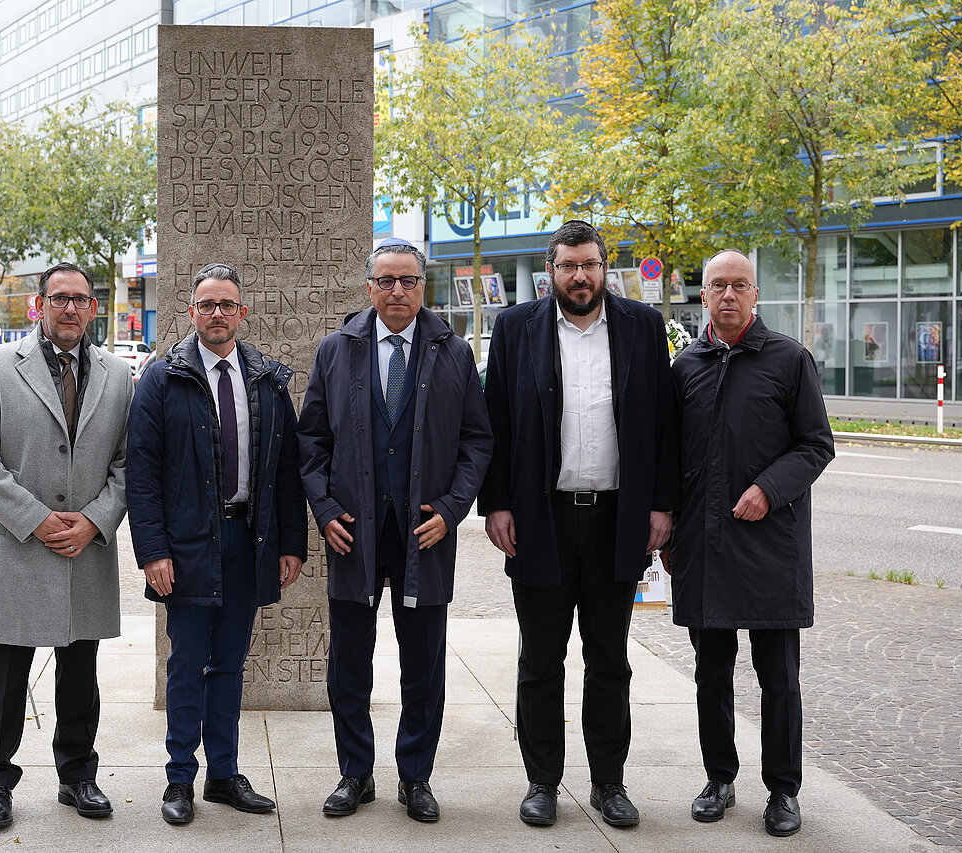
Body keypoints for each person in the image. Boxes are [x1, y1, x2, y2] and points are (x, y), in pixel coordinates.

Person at [478, 220, 677, 829]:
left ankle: (609, 782)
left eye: (590, 265)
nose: (580, 276)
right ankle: (542, 781)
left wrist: (661, 505)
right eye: (568, 266)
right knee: (540, 658)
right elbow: (497, 423)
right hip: (541, 520)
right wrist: (498, 504)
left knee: (609, 658)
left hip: (617, 518)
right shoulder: (515, 329)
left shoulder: (643, 328)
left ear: (605, 269)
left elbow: (663, 423)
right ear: (551, 272)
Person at [298, 237, 492, 823]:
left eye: (407, 281)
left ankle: (416, 776)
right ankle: (355, 773)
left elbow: (476, 440)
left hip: (424, 534)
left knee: (423, 664)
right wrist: (325, 510)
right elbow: (311, 442)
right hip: (354, 534)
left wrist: (453, 508)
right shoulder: (338, 350)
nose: (396, 291)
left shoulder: (452, 352)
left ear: (422, 287)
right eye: (385, 280)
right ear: (369, 288)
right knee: (350, 664)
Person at [126, 262, 308, 826]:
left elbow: (287, 472)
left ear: (242, 312)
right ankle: (179, 778)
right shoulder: (162, 378)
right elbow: (142, 472)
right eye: (207, 305)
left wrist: (290, 545)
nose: (217, 314)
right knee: (187, 664)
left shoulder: (268, 381)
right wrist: (153, 551)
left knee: (230, 663)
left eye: (227, 304)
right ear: (191, 312)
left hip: (248, 539)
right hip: (185, 545)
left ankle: (223, 775)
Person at [0, 262, 133, 830]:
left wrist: (95, 520)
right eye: (59, 298)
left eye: (81, 300)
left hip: (85, 548)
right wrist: (35, 519)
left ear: (93, 308)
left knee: (80, 673)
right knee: (5, 674)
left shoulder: (116, 374)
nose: (70, 309)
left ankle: (78, 775)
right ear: (39, 306)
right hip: (18, 545)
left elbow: (127, 464)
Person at [669, 249, 834, 838]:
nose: (729, 295)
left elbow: (816, 445)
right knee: (710, 675)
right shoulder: (686, 367)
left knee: (779, 680)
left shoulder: (789, 361)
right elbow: (672, 459)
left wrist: (768, 488)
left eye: (740, 285)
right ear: (705, 296)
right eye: (718, 286)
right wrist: (664, 529)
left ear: (756, 295)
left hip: (769, 544)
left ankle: (783, 791)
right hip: (704, 547)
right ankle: (719, 778)